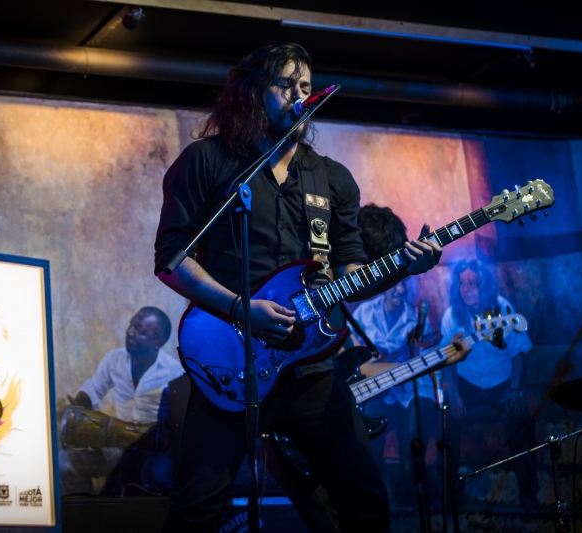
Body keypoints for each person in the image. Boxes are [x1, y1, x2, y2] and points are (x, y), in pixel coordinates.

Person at [154, 42, 445, 532]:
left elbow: (349, 278)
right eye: (285, 84)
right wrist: (240, 308)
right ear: (252, 92)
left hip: (310, 370)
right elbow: (171, 260)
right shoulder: (208, 161)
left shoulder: (331, 179)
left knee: (366, 501)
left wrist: (401, 269)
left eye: (306, 86)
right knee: (195, 511)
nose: (299, 94)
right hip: (232, 362)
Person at [351, 204, 440, 507]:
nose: (400, 291)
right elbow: (358, 364)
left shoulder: (416, 315)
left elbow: (427, 349)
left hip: (406, 390)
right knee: (367, 426)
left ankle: (412, 489)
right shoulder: (365, 312)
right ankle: (379, 491)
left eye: (405, 286)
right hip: (378, 390)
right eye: (396, 285)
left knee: (414, 425)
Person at [441, 260, 539, 511]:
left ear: (484, 286)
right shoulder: (451, 316)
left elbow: (519, 355)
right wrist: (455, 396)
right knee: (445, 423)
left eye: (472, 283)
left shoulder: (503, 308)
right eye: (462, 283)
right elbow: (447, 361)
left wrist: (515, 391)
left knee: (522, 420)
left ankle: (528, 493)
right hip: (467, 384)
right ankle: (452, 492)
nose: (466, 289)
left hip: (501, 383)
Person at [59, 306, 183, 496]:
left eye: (140, 330)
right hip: (117, 447)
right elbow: (93, 388)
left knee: (159, 476)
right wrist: (80, 405)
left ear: (158, 342)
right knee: (64, 461)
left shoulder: (175, 372)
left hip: (155, 451)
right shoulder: (114, 359)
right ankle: (86, 508)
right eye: (131, 325)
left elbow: (181, 421)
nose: (130, 332)